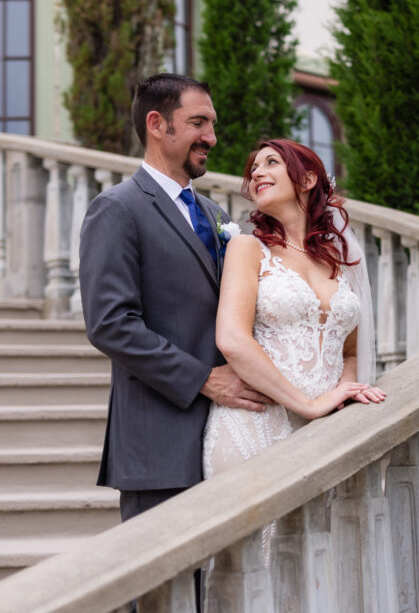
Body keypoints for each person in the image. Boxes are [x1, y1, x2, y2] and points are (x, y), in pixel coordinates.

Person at [79, 73, 271, 522]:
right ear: (157, 124)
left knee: (221, 590)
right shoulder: (117, 209)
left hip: (230, 437)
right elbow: (110, 324)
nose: (212, 137)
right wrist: (204, 378)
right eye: (199, 123)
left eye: (213, 124)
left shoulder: (217, 215)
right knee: (164, 591)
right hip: (159, 446)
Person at [201, 139, 385, 605]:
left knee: (312, 575)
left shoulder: (340, 260)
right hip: (253, 427)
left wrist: (343, 393)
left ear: (307, 179)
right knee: (254, 575)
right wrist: (306, 402)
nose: (256, 173)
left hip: (320, 433)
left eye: (271, 163)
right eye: (253, 167)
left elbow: (351, 351)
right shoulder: (248, 248)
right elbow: (232, 339)